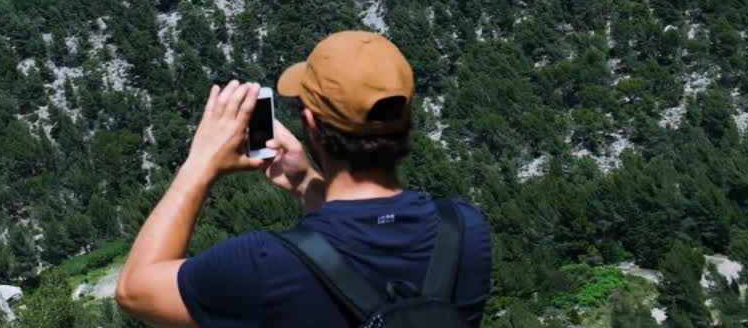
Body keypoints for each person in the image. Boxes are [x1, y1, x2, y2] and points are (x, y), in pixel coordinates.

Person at [116, 31, 492, 327]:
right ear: (406, 117)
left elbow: (135, 291)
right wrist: (305, 184)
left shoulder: (266, 264)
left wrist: (199, 165)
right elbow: (365, 245)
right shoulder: (464, 231)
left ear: (310, 124)